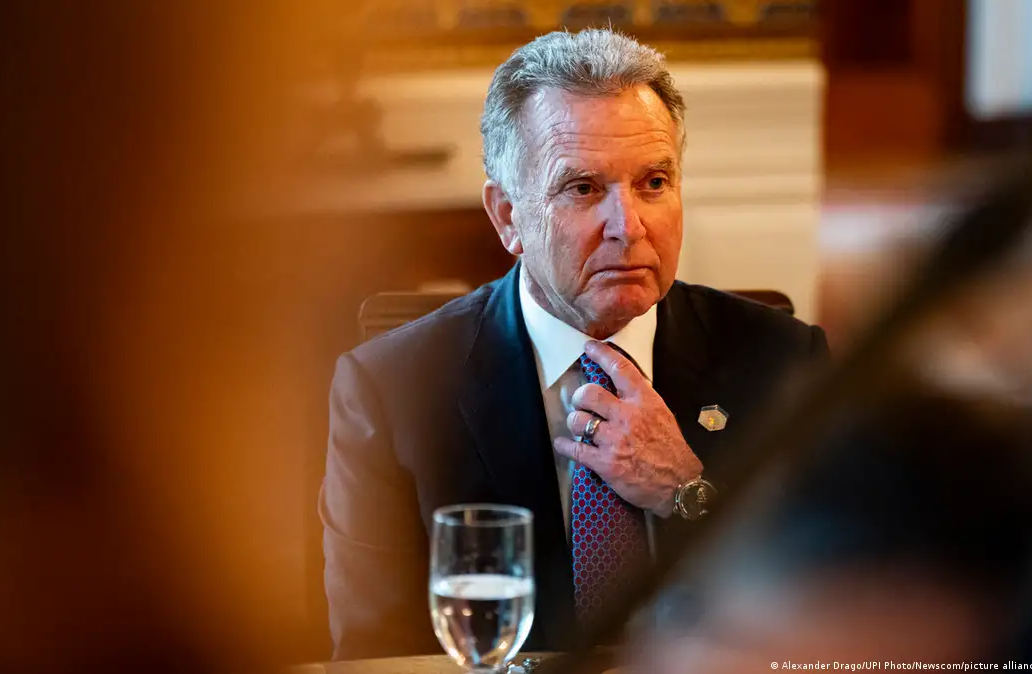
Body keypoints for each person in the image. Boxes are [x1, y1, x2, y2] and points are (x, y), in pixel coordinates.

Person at [320, 28, 829, 660]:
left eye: (654, 182)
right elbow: (374, 657)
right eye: (584, 188)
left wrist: (685, 492)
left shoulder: (783, 362)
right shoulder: (393, 390)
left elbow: (832, 614)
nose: (629, 227)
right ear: (507, 216)